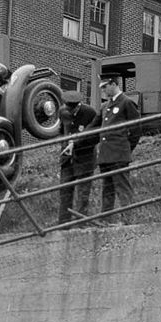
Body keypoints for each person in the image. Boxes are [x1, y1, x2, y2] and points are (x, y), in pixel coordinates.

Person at [92, 76, 141, 221]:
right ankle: (105, 219)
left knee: (123, 187)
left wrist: (126, 148)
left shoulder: (126, 103)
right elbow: (94, 127)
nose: (103, 90)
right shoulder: (105, 106)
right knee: (107, 189)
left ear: (114, 84)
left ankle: (128, 219)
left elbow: (136, 129)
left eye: (105, 86)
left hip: (119, 153)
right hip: (106, 154)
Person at [57, 90, 97, 225]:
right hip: (67, 160)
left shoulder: (90, 113)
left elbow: (95, 136)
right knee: (65, 191)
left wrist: (76, 143)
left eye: (73, 109)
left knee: (83, 193)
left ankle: (81, 222)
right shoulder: (62, 112)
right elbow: (62, 131)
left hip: (85, 158)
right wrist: (65, 145)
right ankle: (63, 223)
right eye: (68, 108)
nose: (70, 112)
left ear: (78, 105)